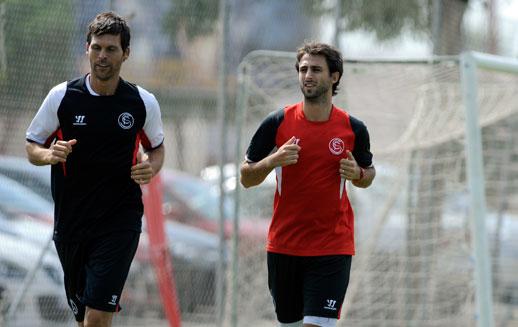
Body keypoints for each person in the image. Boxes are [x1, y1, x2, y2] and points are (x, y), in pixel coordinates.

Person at [25, 12, 165, 327]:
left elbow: (157, 148)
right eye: (96, 47)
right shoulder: (62, 97)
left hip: (120, 221)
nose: (102, 56)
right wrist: (48, 155)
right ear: (87, 49)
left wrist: (151, 168)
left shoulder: (142, 102)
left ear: (125, 53)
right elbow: (31, 145)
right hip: (72, 224)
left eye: (111, 49)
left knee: (98, 316)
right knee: (84, 319)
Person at [240, 42, 375, 327]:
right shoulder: (277, 122)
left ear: (334, 76)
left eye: (316, 69)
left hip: (332, 247)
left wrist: (357, 174)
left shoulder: (354, 129)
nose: (307, 75)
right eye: (303, 69)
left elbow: (368, 174)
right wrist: (273, 161)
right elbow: (246, 177)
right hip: (284, 246)